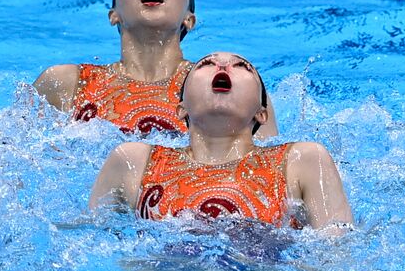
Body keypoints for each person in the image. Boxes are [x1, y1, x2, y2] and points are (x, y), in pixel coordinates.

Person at [89, 52, 351, 231]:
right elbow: (92, 239)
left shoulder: (302, 160)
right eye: (205, 65)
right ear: (181, 108)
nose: (223, 67)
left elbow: (336, 253)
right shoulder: (133, 161)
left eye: (242, 66)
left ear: (262, 113)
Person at [33, 0, 277, 138]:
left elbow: (266, 171)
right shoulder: (66, 84)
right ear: (113, 15)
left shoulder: (224, 82)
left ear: (189, 19)